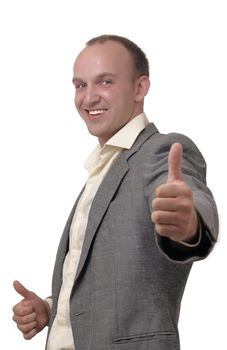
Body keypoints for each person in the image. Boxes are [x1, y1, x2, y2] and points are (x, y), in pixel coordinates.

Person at [12, 34, 219, 350]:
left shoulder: (160, 152)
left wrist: (189, 223)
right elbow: (111, 277)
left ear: (140, 88)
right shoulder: (102, 170)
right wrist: (53, 309)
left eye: (105, 82)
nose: (89, 97)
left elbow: (190, 203)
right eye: (80, 85)